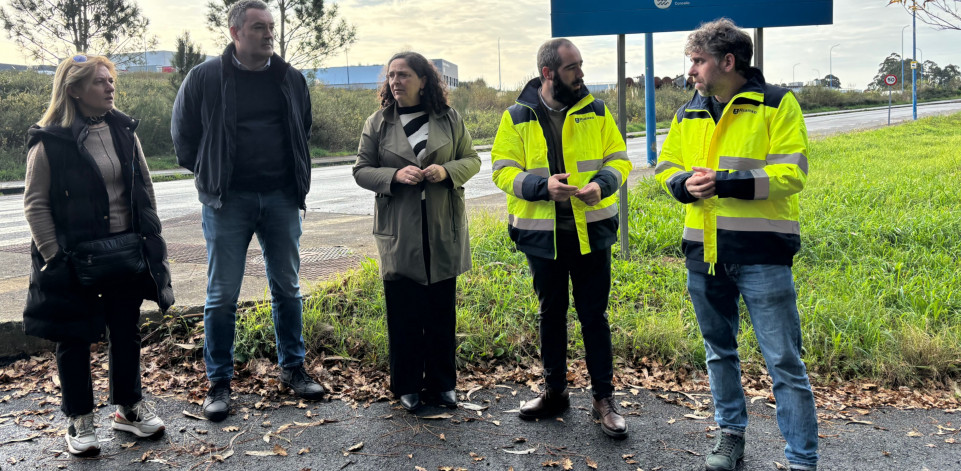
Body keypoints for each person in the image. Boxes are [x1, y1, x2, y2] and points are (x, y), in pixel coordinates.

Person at [654, 18, 819, 471]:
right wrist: (683, 185)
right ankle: (731, 436)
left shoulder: (777, 104)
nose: (691, 71)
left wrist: (724, 183)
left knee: (784, 361)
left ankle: (802, 460)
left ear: (728, 61)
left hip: (762, 256)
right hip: (703, 254)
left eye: (698, 61)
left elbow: (792, 174)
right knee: (718, 351)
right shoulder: (690, 109)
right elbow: (666, 162)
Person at [171, 0, 323, 422]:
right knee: (221, 295)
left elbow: (302, 127)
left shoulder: (290, 78)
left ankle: (293, 368)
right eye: (258, 27)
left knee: (288, 287)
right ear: (236, 33)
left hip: (280, 198)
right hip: (227, 201)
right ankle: (219, 382)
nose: (268, 33)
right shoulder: (205, 77)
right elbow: (183, 136)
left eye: (270, 26)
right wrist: (213, 173)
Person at [23, 54, 174, 457]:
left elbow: (144, 188)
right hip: (71, 259)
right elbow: (35, 204)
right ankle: (79, 418)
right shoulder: (49, 141)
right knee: (74, 336)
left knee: (126, 330)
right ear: (73, 89)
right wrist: (54, 257)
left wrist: (150, 240)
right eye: (99, 82)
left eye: (111, 80)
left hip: (124, 253)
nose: (110, 87)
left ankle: (128, 409)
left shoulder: (125, 132)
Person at [490, 38, 632, 438]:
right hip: (542, 237)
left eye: (581, 65)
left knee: (594, 317)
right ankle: (556, 394)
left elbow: (619, 159)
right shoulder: (516, 117)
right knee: (550, 315)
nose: (581, 74)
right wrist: (541, 187)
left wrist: (602, 184)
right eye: (573, 67)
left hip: (592, 232)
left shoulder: (597, 110)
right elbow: (502, 170)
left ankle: (604, 400)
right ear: (548, 73)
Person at [353, 52, 481, 412]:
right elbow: (361, 170)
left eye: (404, 75)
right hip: (399, 231)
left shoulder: (449, 118)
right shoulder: (378, 122)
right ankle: (407, 385)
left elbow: (472, 159)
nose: (396, 81)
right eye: (391, 75)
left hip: (442, 228)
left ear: (423, 80)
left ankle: (443, 384)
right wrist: (393, 176)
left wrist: (446, 172)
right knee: (404, 312)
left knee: (441, 312)